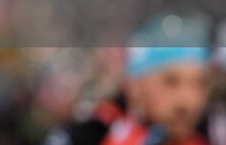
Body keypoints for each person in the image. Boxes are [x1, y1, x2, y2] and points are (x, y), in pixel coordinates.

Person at [48, 15, 224, 145]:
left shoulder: (213, 135)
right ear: (135, 86)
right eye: (170, 82)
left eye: (200, 84)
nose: (187, 101)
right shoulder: (87, 135)